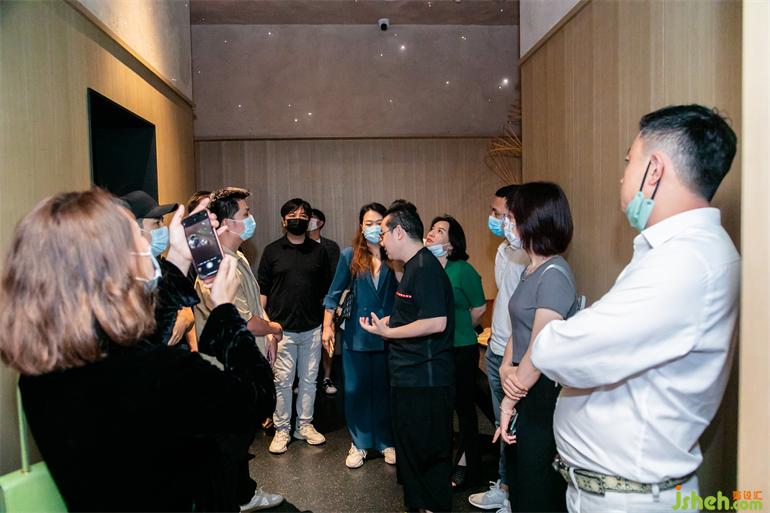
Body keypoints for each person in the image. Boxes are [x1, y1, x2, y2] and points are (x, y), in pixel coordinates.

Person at [501, 105, 740, 513]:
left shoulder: (685, 262)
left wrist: (554, 341)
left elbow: (563, 350)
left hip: (628, 498)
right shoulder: (674, 253)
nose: (622, 176)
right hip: (614, 489)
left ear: (654, 170)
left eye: (629, 161)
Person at [0, 189, 278, 512]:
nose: (149, 246)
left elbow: (136, 342)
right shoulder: (165, 372)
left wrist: (178, 258)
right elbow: (257, 398)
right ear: (113, 268)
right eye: (139, 240)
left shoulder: (40, 374)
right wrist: (226, 314)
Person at [360, 200, 454, 513]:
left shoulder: (425, 268)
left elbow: (436, 322)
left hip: (425, 379)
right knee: (411, 448)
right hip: (408, 375)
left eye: (384, 234)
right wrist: (386, 323)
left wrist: (389, 334)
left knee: (427, 451)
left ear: (399, 232)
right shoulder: (412, 266)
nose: (381, 241)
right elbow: (414, 313)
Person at [491, 182, 578, 513]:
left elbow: (541, 345)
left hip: (540, 393)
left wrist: (507, 402)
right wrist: (506, 365)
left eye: (512, 218)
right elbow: (520, 326)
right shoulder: (531, 269)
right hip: (523, 384)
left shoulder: (554, 274)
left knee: (536, 483)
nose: (507, 225)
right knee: (521, 482)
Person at [322, 202, 398, 469]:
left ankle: (386, 441)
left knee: (385, 389)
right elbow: (333, 294)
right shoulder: (350, 255)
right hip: (357, 334)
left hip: (389, 334)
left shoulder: (395, 255)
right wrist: (327, 327)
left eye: (379, 223)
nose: (374, 228)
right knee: (356, 390)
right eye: (369, 223)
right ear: (361, 227)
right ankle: (359, 442)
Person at [469, 185, 529, 510]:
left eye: (500, 214)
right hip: (496, 349)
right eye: (493, 212)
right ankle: (504, 487)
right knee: (500, 424)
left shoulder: (531, 255)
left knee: (518, 428)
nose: (494, 219)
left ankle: (516, 495)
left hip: (517, 357)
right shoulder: (503, 251)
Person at [259, 198, 333, 454]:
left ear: (309, 220)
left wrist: (327, 325)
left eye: (303, 215)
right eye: (292, 215)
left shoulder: (319, 252)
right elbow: (263, 293)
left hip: (312, 328)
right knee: (282, 382)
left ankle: (305, 425)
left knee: (310, 381)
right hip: (281, 330)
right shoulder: (271, 251)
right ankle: (282, 429)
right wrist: (267, 328)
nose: (298, 219)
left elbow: (327, 292)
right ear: (283, 221)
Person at [425, 215, 486, 489]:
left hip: (461, 349)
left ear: (451, 244)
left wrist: (459, 328)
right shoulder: (425, 268)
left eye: (440, 231)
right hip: (434, 350)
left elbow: (479, 308)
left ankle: (467, 465)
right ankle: (441, 463)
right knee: (440, 409)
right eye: (432, 228)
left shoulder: (463, 270)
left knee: (464, 409)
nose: (432, 233)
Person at [193, 187, 282, 363]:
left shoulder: (238, 257)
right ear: (227, 223)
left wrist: (268, 335)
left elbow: (254, 306)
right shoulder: (217, 269)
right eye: (245, 214)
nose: (251, 219)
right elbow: (246, 323)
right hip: (228, 368)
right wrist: (275, 328)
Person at [119, 190, 198, 351]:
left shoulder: (160, 266)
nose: (163, 228)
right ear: (134, 230)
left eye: (162, 221)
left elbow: (186, 310)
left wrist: (185, 316)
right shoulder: (124, 281)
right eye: (156, 223)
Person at [308, 207, 341, 395]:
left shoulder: (330, 247)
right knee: (308, 342)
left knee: (328, 340)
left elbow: (336, 277)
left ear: (320, 222)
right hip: (306, 302)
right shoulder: (300, 244)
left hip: (326, 301)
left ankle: (327, 377)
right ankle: (306, 378)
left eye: (312, 218)